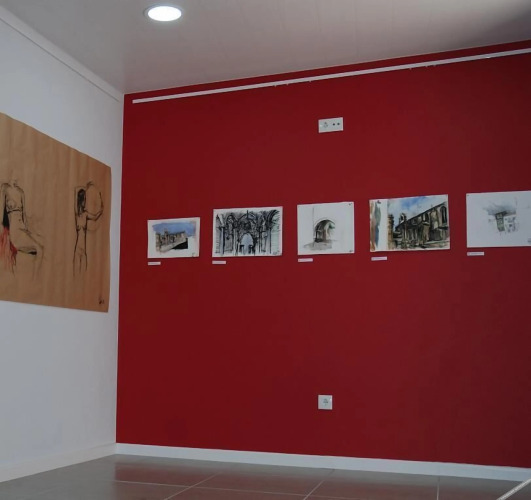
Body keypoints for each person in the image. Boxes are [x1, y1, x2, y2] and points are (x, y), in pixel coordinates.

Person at [0, 180, 43, 274]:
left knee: (43, 244)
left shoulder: (21, 192)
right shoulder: (5, 189)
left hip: (22, 229)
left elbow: (24, 217)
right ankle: (36, 278)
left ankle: (36, 277)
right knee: (39, 249)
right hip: (15, 232)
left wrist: (30, 233)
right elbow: (1, 215)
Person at [73, 182, 103, 276]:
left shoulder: (85, 214)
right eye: (84, 199)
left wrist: (101, 210)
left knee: (83, 273)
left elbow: (95, 217)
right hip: (78, 248)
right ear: (81, 201)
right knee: (76, 272)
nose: (85, 201)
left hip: (83, 248)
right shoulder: (77, 214)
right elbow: (76, 191)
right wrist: (86, 187)